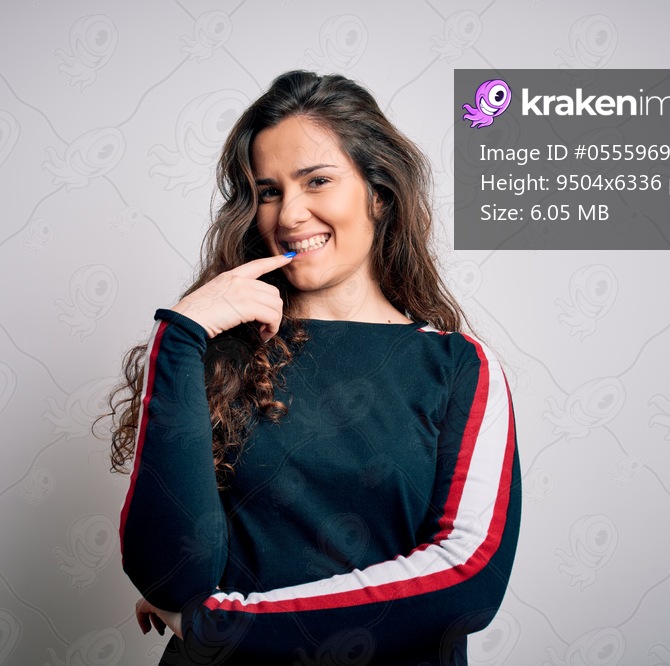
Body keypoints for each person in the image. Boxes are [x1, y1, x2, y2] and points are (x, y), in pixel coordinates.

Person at [101, 70, 521, 665]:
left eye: (317, 180)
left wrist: (226, 626)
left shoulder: (458, 367)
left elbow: (466, 577)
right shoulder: (212, 352)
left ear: (378, 193)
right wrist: (180, 334)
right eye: (268, 191)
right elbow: (171, 576)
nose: (289, 215)